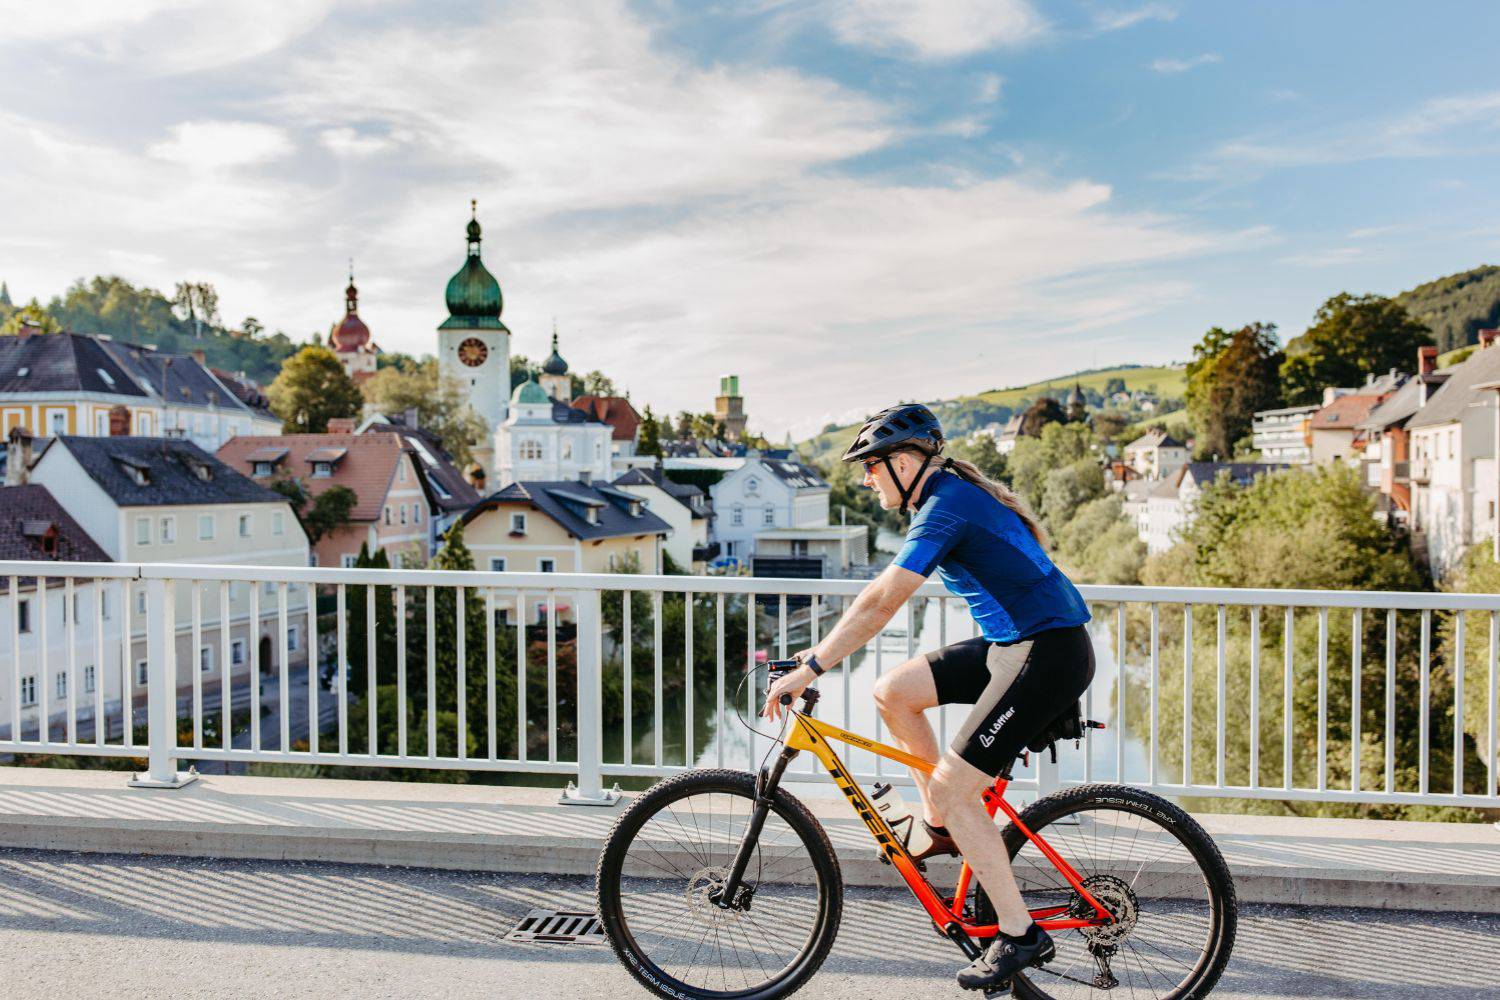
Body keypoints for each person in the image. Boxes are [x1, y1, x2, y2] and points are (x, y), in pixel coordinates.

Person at [762, 402, 1094, 992]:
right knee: (892, 691)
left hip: (1045, 654)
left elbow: (881, 602)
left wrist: (811, 666)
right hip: (1012, 645)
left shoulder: (945, 507)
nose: (866, 478)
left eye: (873, 466)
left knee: (952, 784)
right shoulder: (944, 497)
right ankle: (942, 824)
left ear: (907, 461)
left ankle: (1018, 935)